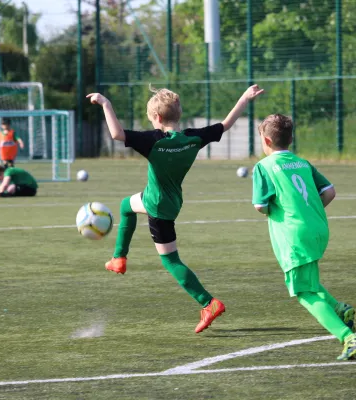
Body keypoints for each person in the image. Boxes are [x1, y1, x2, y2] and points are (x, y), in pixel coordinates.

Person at [87, 84, 264, 333]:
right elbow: (225, 124)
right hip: (169, 199)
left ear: (157, 118)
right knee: (126, 205)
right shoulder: (193, 138)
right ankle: (119, 258)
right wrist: (245, 97)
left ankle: (208, 303)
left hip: (157, 206)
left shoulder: (154, 141)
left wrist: (106, 103)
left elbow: (116, 134)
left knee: (170, 259)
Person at [251, 114, 356, 361]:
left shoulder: (263, 167)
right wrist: (309, 211)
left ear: (266, 140)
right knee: (307, 279)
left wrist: (279, 210)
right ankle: (339, 308)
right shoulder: (302, 163)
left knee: (303, 292)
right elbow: (330, 192)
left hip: (294, 234)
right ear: (290, 139)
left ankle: (347, 337)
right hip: (318, 227)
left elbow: (260, 205)